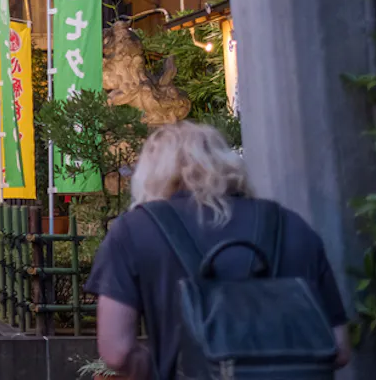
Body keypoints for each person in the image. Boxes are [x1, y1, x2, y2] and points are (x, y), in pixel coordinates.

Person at [85, 122, 351, 379]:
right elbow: (338, 348)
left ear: (150, 175)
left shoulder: (135, 230)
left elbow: (116, 353)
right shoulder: (291, 226)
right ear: (227, 164)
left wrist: (156, 366)